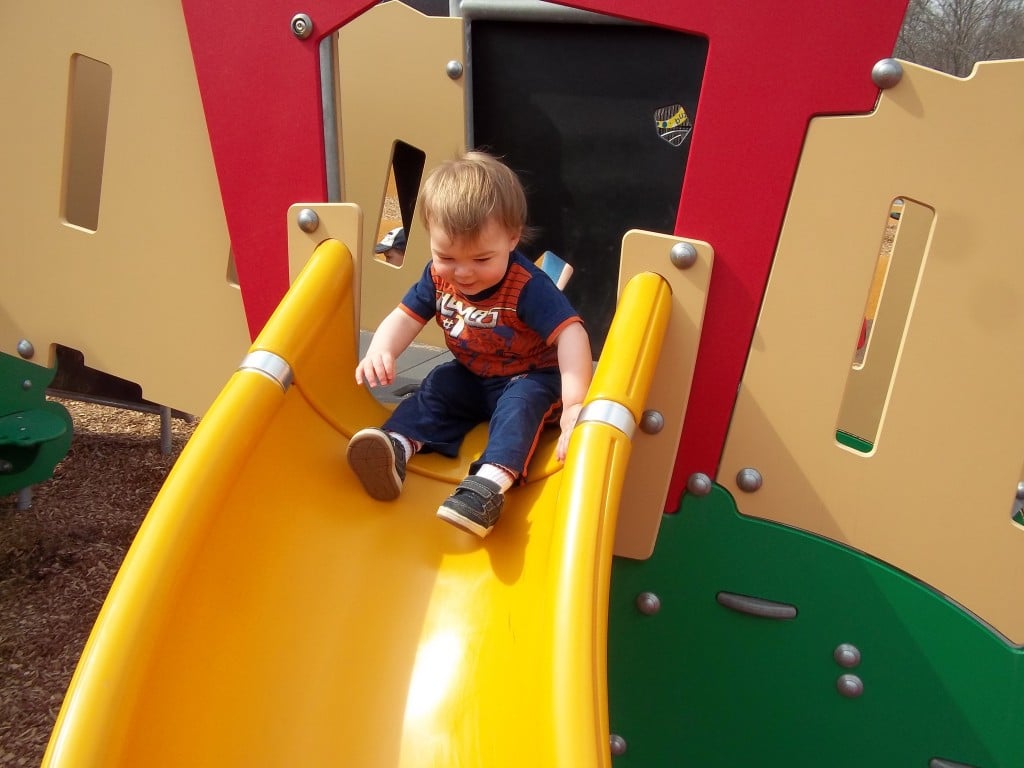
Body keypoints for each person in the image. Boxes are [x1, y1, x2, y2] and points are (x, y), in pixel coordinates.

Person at [347, 150, 592, 538]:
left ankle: (489, 485)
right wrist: (383, 349)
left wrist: (575, 403)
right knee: (439, 385)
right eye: (446, 256)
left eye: (481, 259)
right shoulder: (437, 276)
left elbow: (571, 333)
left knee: (520, 405)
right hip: (473, 373)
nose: (463, 272)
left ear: (512, 238)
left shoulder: (527, 286)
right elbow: (406, 316)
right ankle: (395, 448)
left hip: (529, 377)